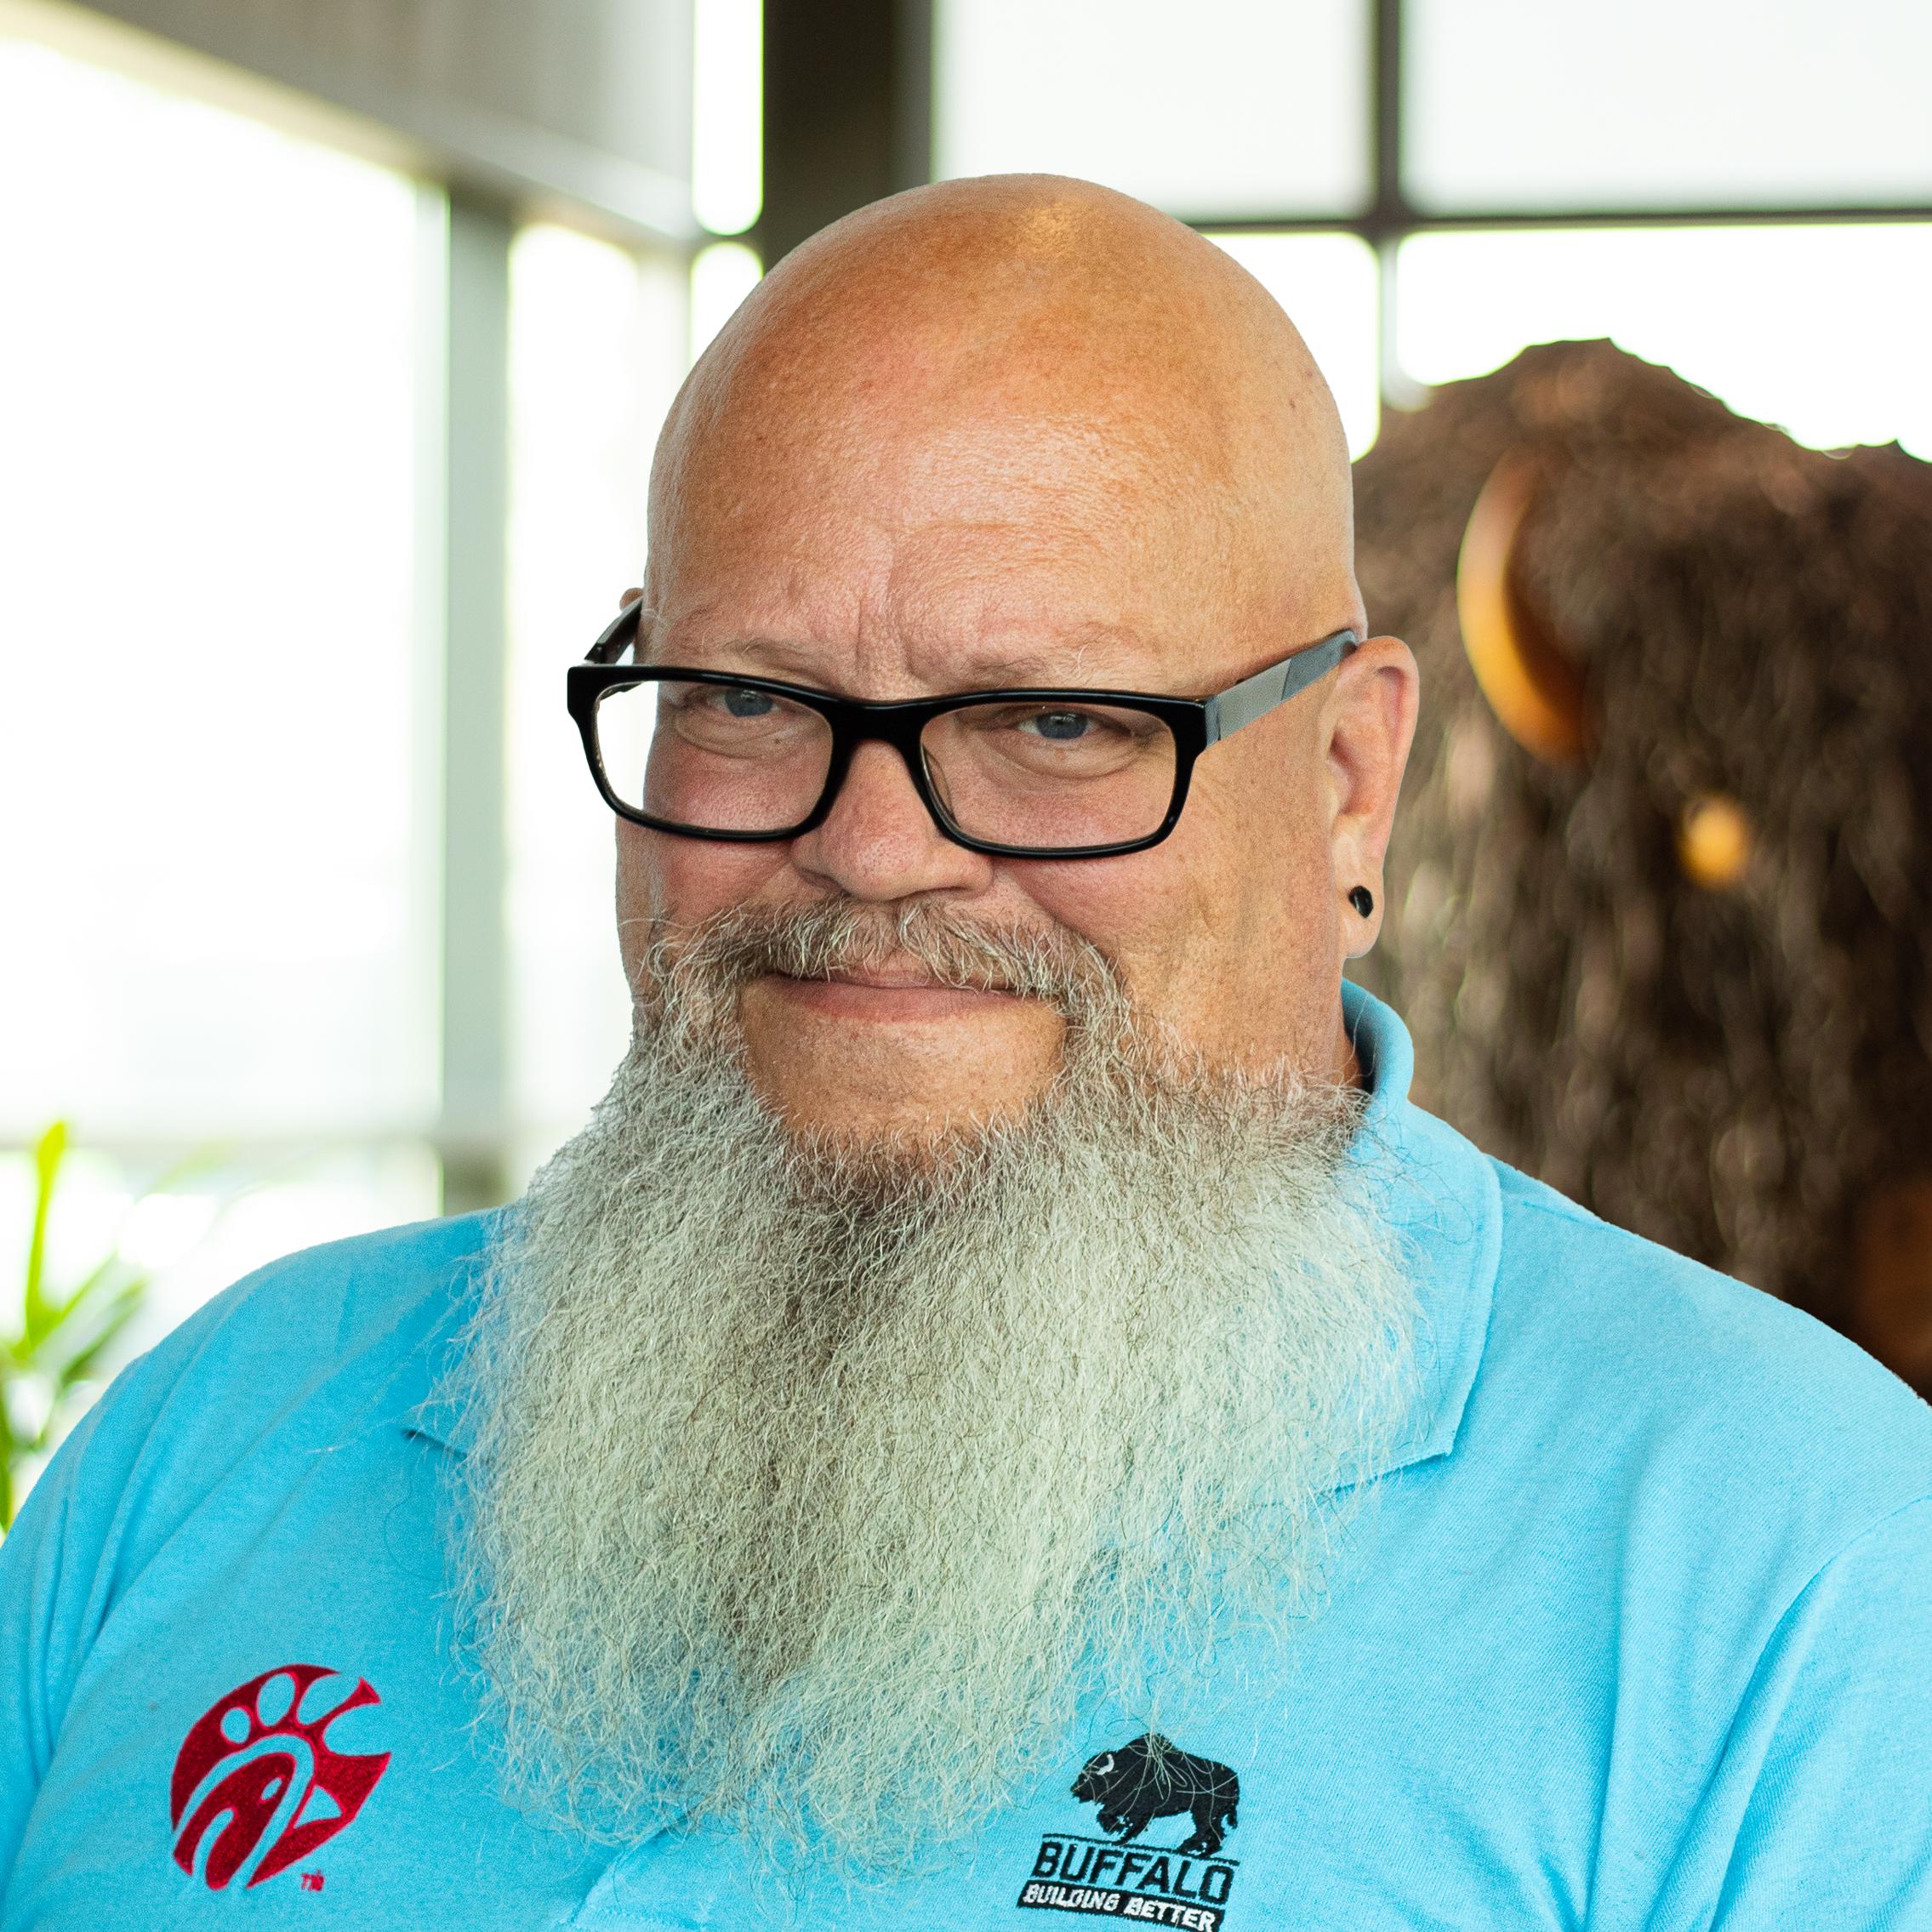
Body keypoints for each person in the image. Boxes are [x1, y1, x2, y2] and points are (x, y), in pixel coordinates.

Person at [3, 175, 1929, 1932]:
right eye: (749, 697)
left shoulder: (1792, 1579)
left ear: (1347, 783)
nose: (871, 847)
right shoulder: (217, 1434)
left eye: (1060, 723)